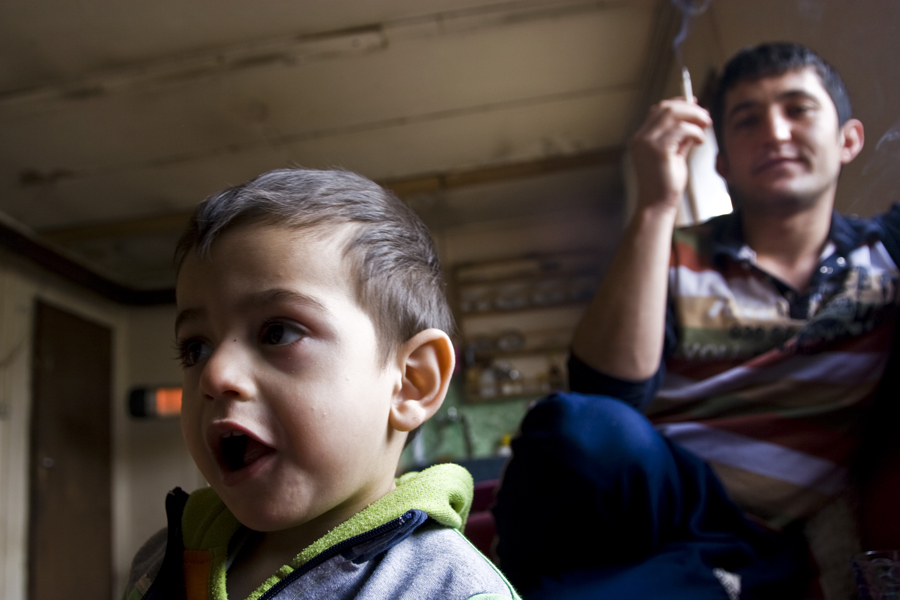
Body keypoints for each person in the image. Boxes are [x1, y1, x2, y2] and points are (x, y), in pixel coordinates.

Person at [493, 42, 900, 598]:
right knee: (572, 423)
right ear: (723, 161)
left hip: (748, 537)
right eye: (747, 119)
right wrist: (657, 204)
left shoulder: (884, 257)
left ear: (848, 140)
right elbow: (605, 394)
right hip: (655, 489)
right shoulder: (676, 249)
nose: (775, 132)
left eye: (798, 109)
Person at [123, 169, 520, 600]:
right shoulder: (161, 560)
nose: (215, 374)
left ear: (411, 383)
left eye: (277, 333)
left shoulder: (452, 592)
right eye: (195, 349)